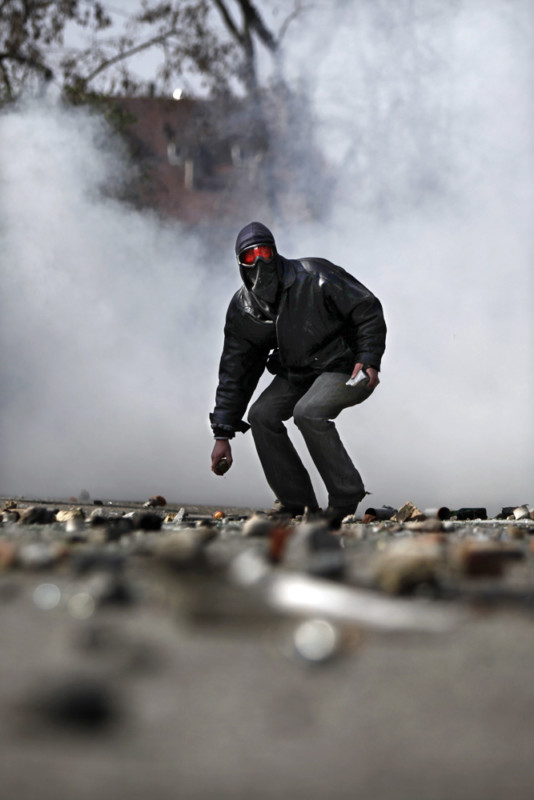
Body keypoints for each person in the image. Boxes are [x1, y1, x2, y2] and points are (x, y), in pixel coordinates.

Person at [209, 221, 387, 524]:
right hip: (298, 372)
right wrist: (222, 433)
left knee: (308, 412)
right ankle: (297, 503)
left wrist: (369, 357)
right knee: (261, 414)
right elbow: (235, 371)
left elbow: (366, 308)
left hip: (346, 364)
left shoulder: (314, 275)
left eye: (265, 252)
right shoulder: (244, 309)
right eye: (251, 257)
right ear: (241, 263)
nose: (261, 261)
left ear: (276, 252)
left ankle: (345, 497)